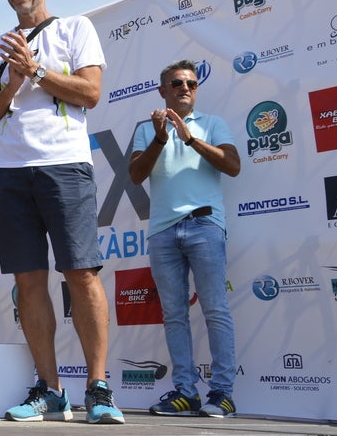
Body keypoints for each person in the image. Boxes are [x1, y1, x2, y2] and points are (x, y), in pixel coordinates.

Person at [0, 0, 124, 424]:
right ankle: (51, 389)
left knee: (81, 274)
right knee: (28, 282)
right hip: (10, 172)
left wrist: (36, 71)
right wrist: (13, 85)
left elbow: (90, 93)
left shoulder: (75, 28)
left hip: (64, 165)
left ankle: (98, 389)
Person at [129, 59, 241, 418]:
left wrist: (190, 139)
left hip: (205, 225)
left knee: (215, 309)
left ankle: (222, 393)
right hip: (163, 232)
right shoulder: (148, 129)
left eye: (191, 83)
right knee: (174, 315)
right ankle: (186, 393)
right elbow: (135, 175)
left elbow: (233, 165)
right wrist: (161, 138)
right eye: (177, 83)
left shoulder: (213, 124)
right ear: (163, 91)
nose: (185, 88)